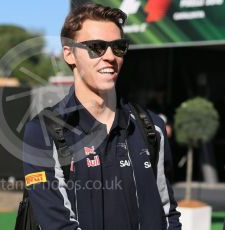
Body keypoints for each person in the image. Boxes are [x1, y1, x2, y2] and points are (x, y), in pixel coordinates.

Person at [22, 3, 181, 230]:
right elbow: (58, 225)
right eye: (96, 47)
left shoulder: (152, 127)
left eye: (119, 47)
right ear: (69, 54)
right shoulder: (43, 132)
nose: (109, 56)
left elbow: (167, 214)